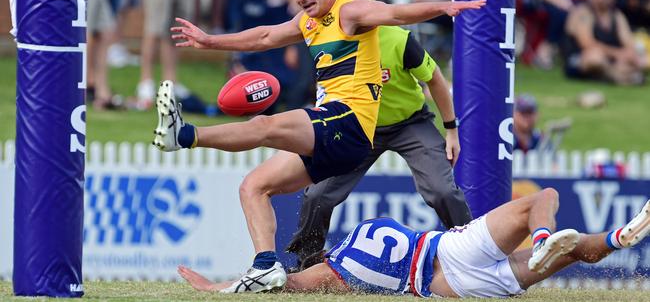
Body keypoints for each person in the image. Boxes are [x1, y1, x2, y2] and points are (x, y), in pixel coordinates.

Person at [158, 0, 486, 293]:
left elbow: (395, 14)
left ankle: (182, 135)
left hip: (357, 122)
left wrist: (442, 7)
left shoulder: (352, 12)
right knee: (254, 187)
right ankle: (267, 266)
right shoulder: (309, 22)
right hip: (346, 131)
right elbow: (266, 36)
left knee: (265, 127)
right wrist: (210, 41)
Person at [286, 0, 472, 271]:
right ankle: (306, 264)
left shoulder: (398, 38)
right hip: (357, 125)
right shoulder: (327, 36)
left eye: (355, 0)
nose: (348, 7)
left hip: (409, 122)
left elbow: (436, 80)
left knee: (441, 190)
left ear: (371, 4)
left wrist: (451, 130)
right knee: (318, 193)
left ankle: (473, 256)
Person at [178, 191, 650, 298]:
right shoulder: (358, 241)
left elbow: (277, 284)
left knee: (570, 256)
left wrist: (214, 288)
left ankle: (614, 238)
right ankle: (548, 237)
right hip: (450, 250)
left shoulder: (338, 274)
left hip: (456, 289)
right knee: (543, 200)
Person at [562, 0, 647, 85]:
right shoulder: (583, 12)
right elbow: (586, 44)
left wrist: (628, 54)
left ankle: (610, 76)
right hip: (580, 59)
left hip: (609, 60)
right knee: (595, 57)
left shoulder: (617, 16)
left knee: (640, 59)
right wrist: (617, 53)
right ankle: (618, 77)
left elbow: (628, 42)